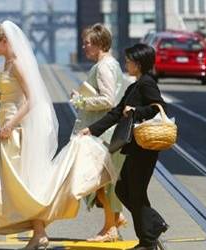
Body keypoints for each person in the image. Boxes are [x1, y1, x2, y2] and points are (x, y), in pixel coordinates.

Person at [0, 20, 118, 249]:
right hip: (8, 127)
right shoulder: (8, 63)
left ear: (5, 41)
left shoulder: (17, 64)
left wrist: (10, 125)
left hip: (14, 130)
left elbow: (31, 100)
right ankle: (38, 233)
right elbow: (12, 97)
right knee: (21, 184)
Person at [80, 43, 169, 250]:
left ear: (138, 64)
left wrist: (136, 111)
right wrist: (92, 130)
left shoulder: (147, 83)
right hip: (135, 148)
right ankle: (153, 226)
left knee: (135, 192)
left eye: (129, 61)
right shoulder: (134, 86)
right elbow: (116, 113)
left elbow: (160, 108)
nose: (126, 64)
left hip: (145, 149)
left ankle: (147, 241)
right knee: (124, 189)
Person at [71, 23, 128, 242]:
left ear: (99, 44)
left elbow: (108, 100)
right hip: (105, 131)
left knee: (96, 181)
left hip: (102, 132)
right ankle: (113, 223)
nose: (83, 47)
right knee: (105, 181)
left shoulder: (104, 66)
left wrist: (81, 100)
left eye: (87, 43)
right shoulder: (110, 64)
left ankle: (110, 227)